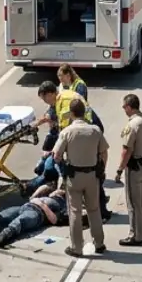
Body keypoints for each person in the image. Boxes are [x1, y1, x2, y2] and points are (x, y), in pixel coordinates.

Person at [53, 98, 108, 257]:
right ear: (84, 113)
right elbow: (104, 152)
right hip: (92, 176)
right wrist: (101, 169)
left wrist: (64, 162)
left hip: (74, 176)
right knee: (94, 209)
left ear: (71, 114)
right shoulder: (95, 130)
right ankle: (99, 243)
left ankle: (77, 247)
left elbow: (56, 155)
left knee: (75, 211)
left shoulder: (67, 132)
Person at [0, 184, 89, 248]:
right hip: (25, 206)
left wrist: (41, 205)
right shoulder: (50, 194)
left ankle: (2, 238)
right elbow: (43, 187)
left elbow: (54, 220)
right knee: (0, 216)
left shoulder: (63, 206)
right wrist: (38, 196)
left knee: (19, 221)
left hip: (38, 214)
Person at [114, 93, 142, 246]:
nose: (123, 109)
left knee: (133, 202)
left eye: (124, 106)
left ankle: (135, 236)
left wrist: (120, 169)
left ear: (129, 107)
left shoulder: (132, 125)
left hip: (136, 167)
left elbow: (127, 150)